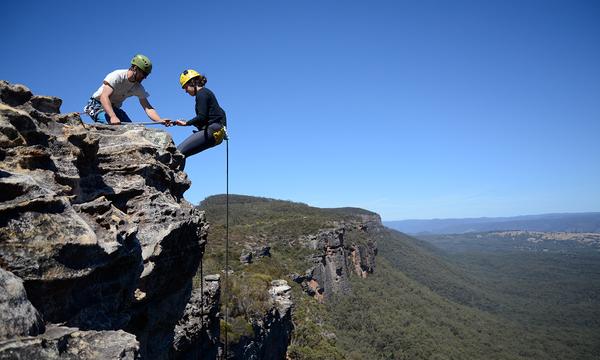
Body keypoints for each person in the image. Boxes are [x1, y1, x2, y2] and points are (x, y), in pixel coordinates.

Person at [84, 54, 169, 126]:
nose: (145, 77)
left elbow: (148, 107)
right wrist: (113, 116)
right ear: (135, 68)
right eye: (143, 73)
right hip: (96, 105)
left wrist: (159, 120)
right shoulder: (117, 76)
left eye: (147, 75)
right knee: (114, 126)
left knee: (133, 129)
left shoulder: (138, 87)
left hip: (114, 108)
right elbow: (104, 97)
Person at [170, 69, 227, 157]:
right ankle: (176, 170)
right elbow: (222, 112)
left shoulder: (201, 94)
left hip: (212, 131)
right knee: (183, 154)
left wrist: (186, 123)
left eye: (185, 87)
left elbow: (201, 117)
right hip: (217, 133)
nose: (185, 91)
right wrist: (224, 128)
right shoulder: (207, 92)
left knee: (177, 152)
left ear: (192, 82)